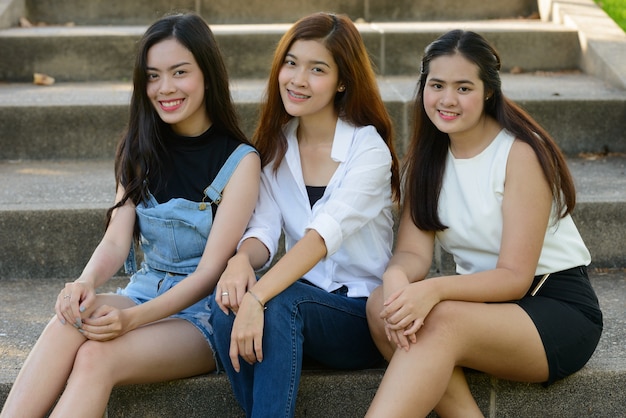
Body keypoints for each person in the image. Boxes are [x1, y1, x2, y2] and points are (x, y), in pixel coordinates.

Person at [0, 12, 260, 418]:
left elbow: (209, 273)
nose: (165, 88)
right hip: (144, 291)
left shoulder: (240, 162)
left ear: (207, 75)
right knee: (69, 320)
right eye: (153, 76)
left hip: (204, 314)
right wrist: (84, 282)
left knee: (95, 358)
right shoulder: (140, 149)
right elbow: (116, 240)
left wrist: (132, 320)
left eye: (179, 72)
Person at [365, 29, 603, 417]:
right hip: (484, 308)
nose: (446, 100)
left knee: (440, 319)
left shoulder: (519, 153)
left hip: (553, 306)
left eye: (463, 88)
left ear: (489, 91)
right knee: (381, 307)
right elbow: (411, 252)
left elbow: (514, 276)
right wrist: (396, 285)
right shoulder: (426, 163)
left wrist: (434, 291)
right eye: (437, 85)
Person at [207, 12, 401, 418]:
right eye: (291, 63)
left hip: (359, 317)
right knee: (226, 305)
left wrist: (259, 295)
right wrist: (241, 261)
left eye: (317, 69)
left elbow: (320, 238)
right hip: (299, 309)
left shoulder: (367, 150)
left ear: (342, 81)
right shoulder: (278, 146)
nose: (297, 79)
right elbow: (263, 228)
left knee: (279, 302)